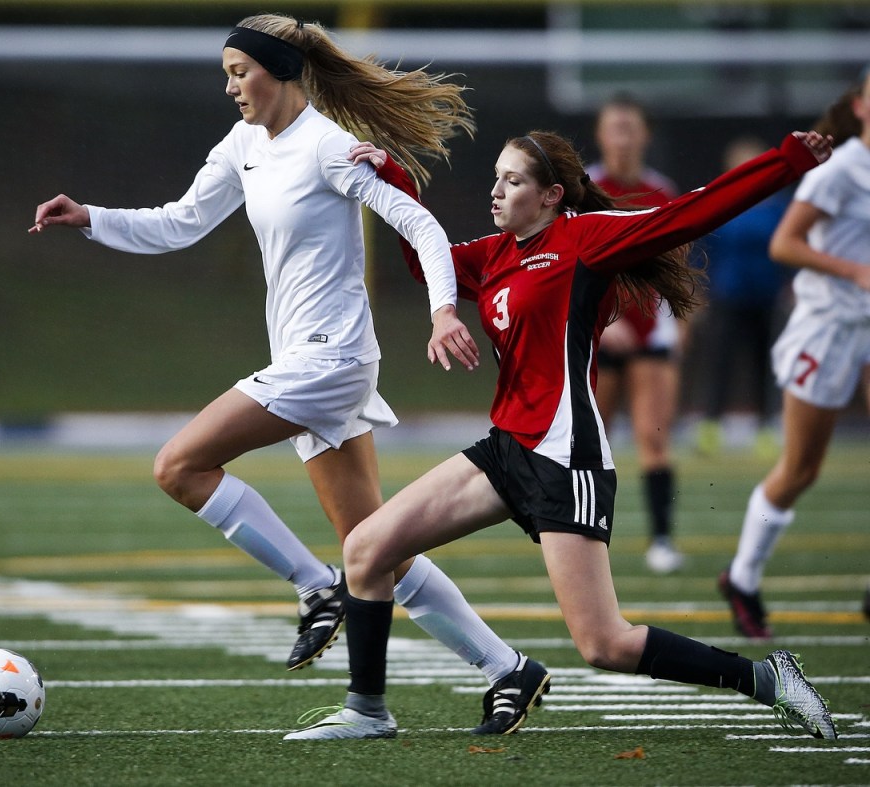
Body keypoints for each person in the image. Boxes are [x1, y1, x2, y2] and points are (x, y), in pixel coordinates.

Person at [29, 13, 536, 727]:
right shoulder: (244, 144)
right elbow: (180, 222)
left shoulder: (328, 147)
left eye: (241, 72)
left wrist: (443, 310)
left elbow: (421, 226)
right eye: (226, 75)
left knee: (179, 466)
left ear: (281, 71)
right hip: (309, 362)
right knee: (377, 548)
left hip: (329, 360)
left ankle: (315, 589)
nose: (232, 87)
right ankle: (506, 668)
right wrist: (92, 217)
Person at [282, 127, 837, 741]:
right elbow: (424, 258)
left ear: (550, 195)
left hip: (563, 457)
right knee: (366, 550)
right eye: (496, 177)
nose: (496, 190)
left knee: (605, 644)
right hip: (505, 447)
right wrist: (393, 177)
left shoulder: (583, 239)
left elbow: (691, 212)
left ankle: (766, 680)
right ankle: (367, 711)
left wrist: (785, 162)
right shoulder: (495, 253)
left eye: (513, 180)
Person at [719, 67, 870, 639]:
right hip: (828, 327)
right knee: (801, 469)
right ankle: (743, 576)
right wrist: (853, 270)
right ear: (859, 106)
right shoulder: (844, 171)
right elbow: (786, 242)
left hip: (867, 324)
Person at [586, 93, 685, 574]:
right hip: (597, 338)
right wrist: (603, 323)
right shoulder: (581, 189)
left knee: (654, 436)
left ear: (644, 136)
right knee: (589, 438)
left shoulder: (661, 193)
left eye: (630, 128)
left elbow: (680, 270)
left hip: (651, 336)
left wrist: (680, 323)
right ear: (601, 136)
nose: (622, 138)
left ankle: (662, 540)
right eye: (614, 128)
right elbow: (567, 268)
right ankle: (585, 537)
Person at [694, 136, 791, 458]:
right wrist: (700, 292)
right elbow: (703, 249)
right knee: (720, 363)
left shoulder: (778, 207)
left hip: (765, 297)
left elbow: (790, 248)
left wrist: (790, 284)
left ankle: (765, 427)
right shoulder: (722, 202)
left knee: (764, 364)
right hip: (728, 296)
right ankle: (710, 428)